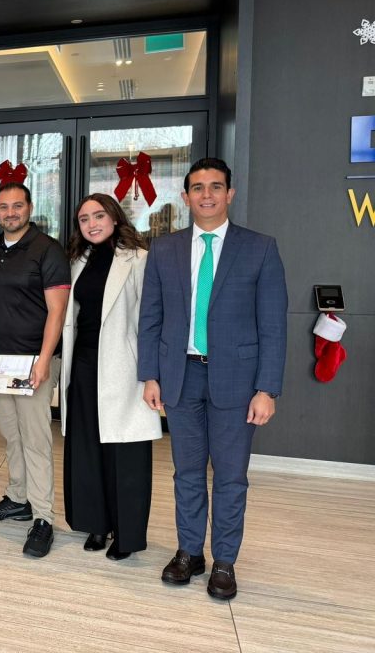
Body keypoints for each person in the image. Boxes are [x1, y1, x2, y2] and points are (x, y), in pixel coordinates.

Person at [139, 157, 287, 600]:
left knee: (230, 476)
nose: (207, 195)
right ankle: (189, 552)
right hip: (180, 377)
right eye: (198, 188)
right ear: (185, 196)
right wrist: (150, 375)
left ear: (229, 194)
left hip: (238, 382)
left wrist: (267, 389)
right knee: (186, 472)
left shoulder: (259, 248)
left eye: (216, 187)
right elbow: (151, 318)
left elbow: (273, 325)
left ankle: (224, 560)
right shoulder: (164, 249)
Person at [60, 193, 160, 562]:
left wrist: (151, 374)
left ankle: (127, 534)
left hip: (123, 367)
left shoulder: (139, 259)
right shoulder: (76, 260)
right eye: (84, 219)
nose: (92, 224)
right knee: (87, 447)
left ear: (115, 218)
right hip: (83, 364)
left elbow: (151, 320)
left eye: (99, 216)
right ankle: (97, 524)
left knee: (125, 453)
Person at [0, 182, 70, 559]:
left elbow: (58, 311)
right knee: (10, 433)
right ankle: (18, 498)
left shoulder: (48, 249)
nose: (11, 212)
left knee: (35, 439)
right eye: (4, 206)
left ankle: (44, 517)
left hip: (34, 360)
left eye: (17, 206)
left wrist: (44, 359)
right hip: (1, 359)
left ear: (29, 208)